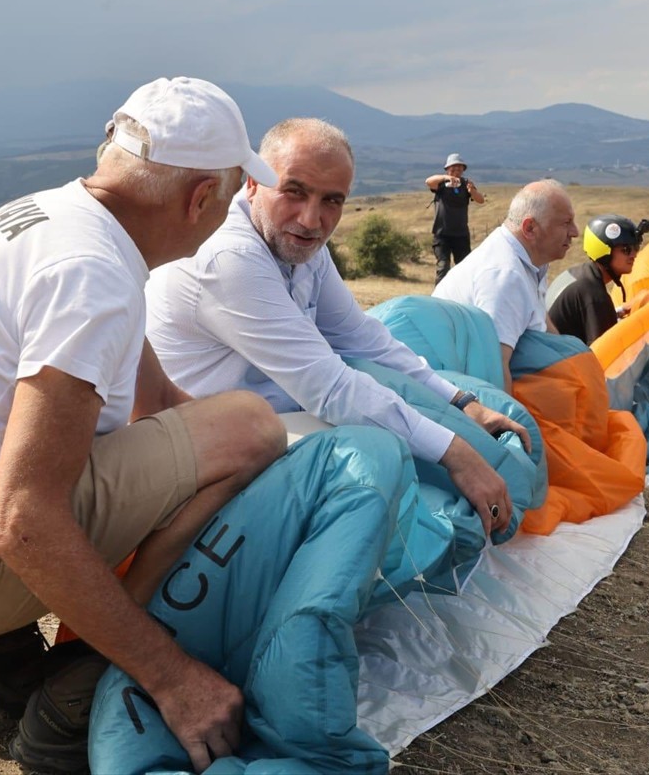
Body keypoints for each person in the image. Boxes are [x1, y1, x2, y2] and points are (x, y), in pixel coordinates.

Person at [0, 77, 290, 774]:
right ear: (200, 199)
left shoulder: (63, 222)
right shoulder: (92, 275)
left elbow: (157, 403)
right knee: (252, 426)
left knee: (228, 435)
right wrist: (173, 677)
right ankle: (82, 681)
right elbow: (22, 520)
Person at [145, 118, 528, 537]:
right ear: (252, 182)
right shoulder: (229, 258)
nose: (311, 220)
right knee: (377, 458)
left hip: (270, 417)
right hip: (206, 447)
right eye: (294, 191)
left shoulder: (296, 242)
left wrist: (460, 402)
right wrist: (456, 453)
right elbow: (329, 388)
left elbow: (363, 337)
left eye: (332, 201)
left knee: (394, 406)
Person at [433, 179, 580, 392]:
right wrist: (515, 425)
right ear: (530, 228)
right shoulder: (506, 276)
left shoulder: (530, 259)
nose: (575, 232)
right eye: (566, 223)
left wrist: (571, 366)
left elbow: (541, 321)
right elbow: (493, 373)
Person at [546, 214, 649, 344]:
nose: (634, 255)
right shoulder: (594, 295)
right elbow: (604, 354)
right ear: (604, 252)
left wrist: (615, 313)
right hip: (554, 361)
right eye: (626, 249)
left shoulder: (577, 274)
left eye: (635, 247)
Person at [425, 152, 485, 284]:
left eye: (459, 168)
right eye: (453, 168)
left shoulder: (466, 184)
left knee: (464, 268)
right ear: (447, 169)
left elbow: (480, 200)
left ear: (463, 170)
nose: (456, 171)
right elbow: (428, 182)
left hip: (461, 234)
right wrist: (445, 178)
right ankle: (438, 298)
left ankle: (461, 297)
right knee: (443, 266)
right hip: (442, 234)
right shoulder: (441, 184)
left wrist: (472, 191)